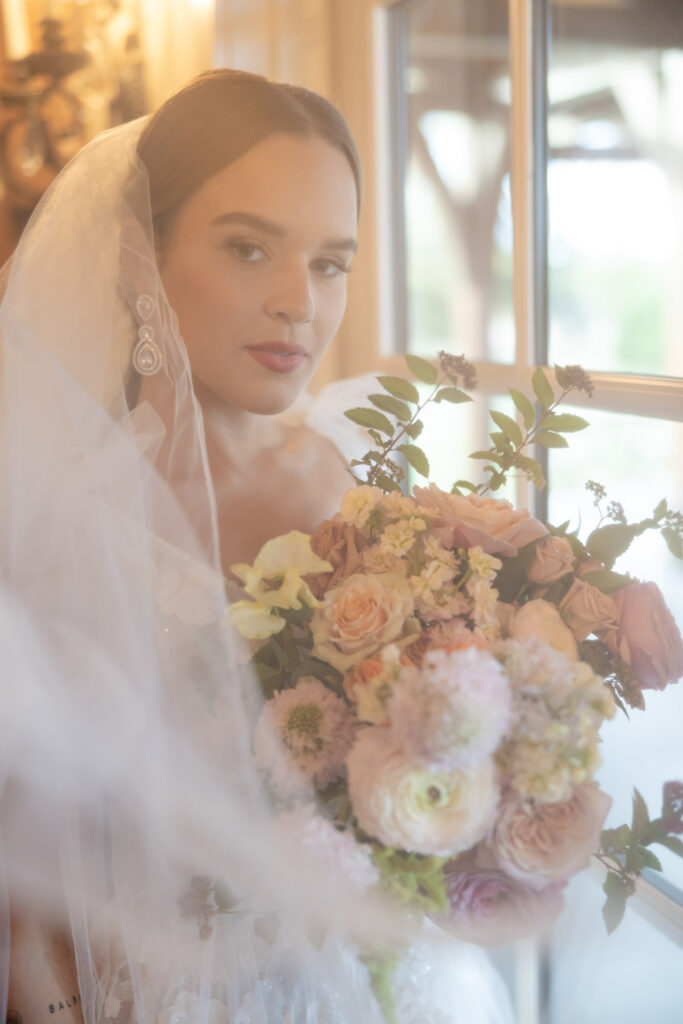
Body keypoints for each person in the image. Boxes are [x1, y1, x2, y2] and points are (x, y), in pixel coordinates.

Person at [0, 70, 513, 1023]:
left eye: (329, 262)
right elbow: (19, 866)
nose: (296, 303)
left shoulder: (365, 470)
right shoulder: (54, 510)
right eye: (248, 248)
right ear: (134, 255)